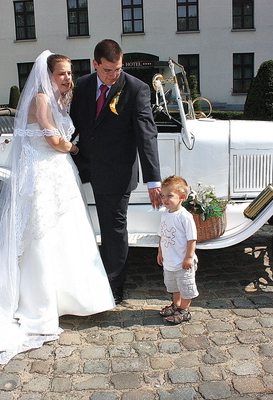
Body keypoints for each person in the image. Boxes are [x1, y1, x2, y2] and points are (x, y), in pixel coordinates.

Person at [0, 50, 115, 364]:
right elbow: (52, 138)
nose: (67, 78)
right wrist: (75, 147)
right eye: (61, 73)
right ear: (47, 75)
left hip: (59, 173)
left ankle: (71, 297)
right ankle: (41, 303)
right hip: (45, 172)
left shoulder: (57, 100)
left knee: (65, 232)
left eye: (69, 73)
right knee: (42, 234)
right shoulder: (41, 100)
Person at [70, 39, 162, 303]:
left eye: (118, 70)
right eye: (107, 70)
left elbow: (147, 135)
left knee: (113, 228)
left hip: (116, 171)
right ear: (95, 64)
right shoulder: (83, 85)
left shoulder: (136, 89)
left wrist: (153, 179)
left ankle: (114, 285)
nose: (113, 76)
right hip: (81, 163)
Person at [157, 175, 198, 324]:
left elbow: (191, 239)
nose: (165, 199)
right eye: (163, 195)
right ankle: (176, 305)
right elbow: (161, 235)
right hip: (169, 260)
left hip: (182, 261)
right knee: (174, 286)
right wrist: (160, 252)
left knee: (186, 286)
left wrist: (188, 257)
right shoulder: (164, 215)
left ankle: (184, 311)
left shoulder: (185, 217)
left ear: (182, 197)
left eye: (169, 196)